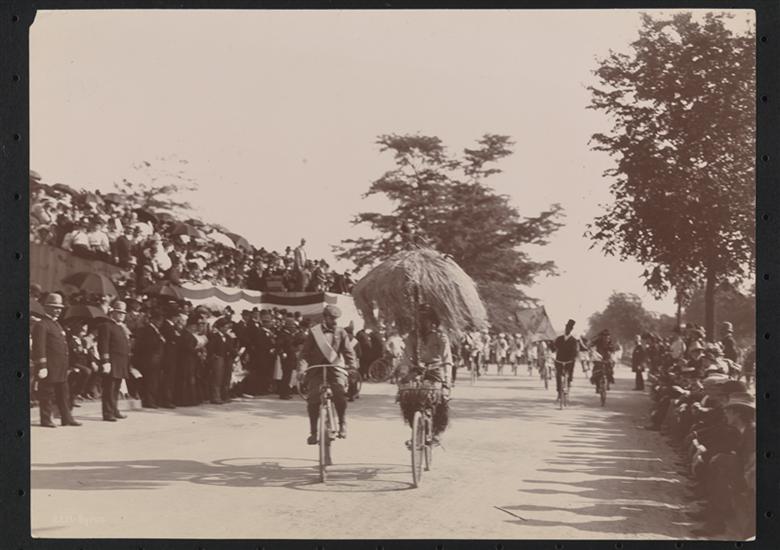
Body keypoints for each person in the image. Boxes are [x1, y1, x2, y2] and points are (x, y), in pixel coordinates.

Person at [300, 305, 356, 444]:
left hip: (335, 368)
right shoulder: (314, 332)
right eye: (332, 318)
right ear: (324, 317)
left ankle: (342, 423)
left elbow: (348, 352)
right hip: (316, 370)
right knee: (313, 399)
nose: (335, 322)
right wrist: (301, 369)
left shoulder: (341, 332)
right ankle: (313, 432)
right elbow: (304, 354)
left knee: (339, 393)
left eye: (336, 319)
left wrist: (352, 367)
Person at [399, 304, 453, 444]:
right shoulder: (412, 336)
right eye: (419, 319)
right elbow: (406, 357)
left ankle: (437, 432)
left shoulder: (440, 336)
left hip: (436, 370)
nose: (422, 322)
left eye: (425, 319)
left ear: (432, 320)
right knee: (406, 396)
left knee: (442, 398)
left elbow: (447, 360)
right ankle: (415, 431)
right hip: (416, 370)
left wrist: (447, 381)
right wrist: (404, 374)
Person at [32, 293, 81, 427]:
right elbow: (39, 347)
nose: (58, 310)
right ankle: (46, 419)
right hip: (49, 366)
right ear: (46, 308)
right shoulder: (42, 325)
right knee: (47, 394)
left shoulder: (57, 324)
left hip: (60, 367)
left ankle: (66, 418)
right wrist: (42, 365)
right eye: (55, 307)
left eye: (59, 308)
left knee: (63, 394)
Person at [97, 300, 131, 421]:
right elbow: (103, 344)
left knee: (116, 388)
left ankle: (114, 409)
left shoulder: (120, 327)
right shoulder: (106, 326)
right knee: (109, 388)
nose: (122, 315)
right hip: (112, 361)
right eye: (119, 312)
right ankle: (108, 412)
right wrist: (105, 361)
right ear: (113, 312)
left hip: (120, 362)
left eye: (123, 313)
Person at [134, 309, 166, 408]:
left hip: (156, 360)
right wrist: (160, 341)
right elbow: (148, 345)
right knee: (150, 381)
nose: (160, 322)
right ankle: (149, 401)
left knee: (154, 381)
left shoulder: (156, 330)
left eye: (161, 320)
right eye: (158, 320)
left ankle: (152, 400)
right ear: (153, 320)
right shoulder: (147, 330)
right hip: (150, 360)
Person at [553, 319, 579, 396]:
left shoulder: (573, 340)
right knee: (558, 375)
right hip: (559, 360)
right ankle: (559, 391)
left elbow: (575, 351)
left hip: (569, 360)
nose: (567, 330)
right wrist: (550, 344)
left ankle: (568, 383)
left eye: (569, 328)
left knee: (569, 374)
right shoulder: (559, 338)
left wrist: (573, 358)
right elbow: (554, 348)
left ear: (571, 330)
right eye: (566, 328)